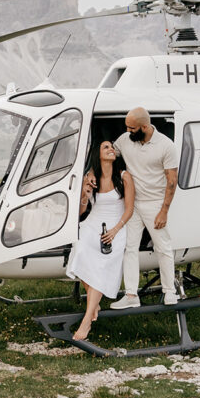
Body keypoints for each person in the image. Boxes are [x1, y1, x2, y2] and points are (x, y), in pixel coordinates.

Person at [108, 107, 179, 308]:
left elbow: (172, 180)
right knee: (129, 247)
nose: (128, 130)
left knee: (163, 247)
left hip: (155, 204)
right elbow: (110, 153)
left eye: (132, 128)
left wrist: (164, 211)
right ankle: (131, 295)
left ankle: (169, 292)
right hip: (132, 204)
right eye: (127, 127)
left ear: (145, 126)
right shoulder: (125, 139)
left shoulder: (166, 146)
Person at [66, 140, 134, 340]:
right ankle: (93, 304)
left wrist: (115, 230)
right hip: (93, 223)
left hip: (116, 225)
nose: (111, 149)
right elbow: (81, 211)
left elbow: (129, 209)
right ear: (98, 154)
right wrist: (85, 195)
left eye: (112, 147)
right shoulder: (90, 177)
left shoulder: (124, 177)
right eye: (106, 147)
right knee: (80, 250)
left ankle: (87, 321)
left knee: (102, 263)